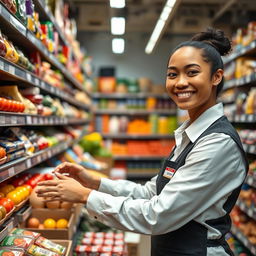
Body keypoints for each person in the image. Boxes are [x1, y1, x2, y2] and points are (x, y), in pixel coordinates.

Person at [36, 28, 248, 256]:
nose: (180, 83)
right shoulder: (191, 135)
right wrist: (96, 183)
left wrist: (85, 196)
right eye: (172, 74)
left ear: (216, 76)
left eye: (192, 72)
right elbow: (151, 192)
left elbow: (158, 214)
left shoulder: (217, 142)